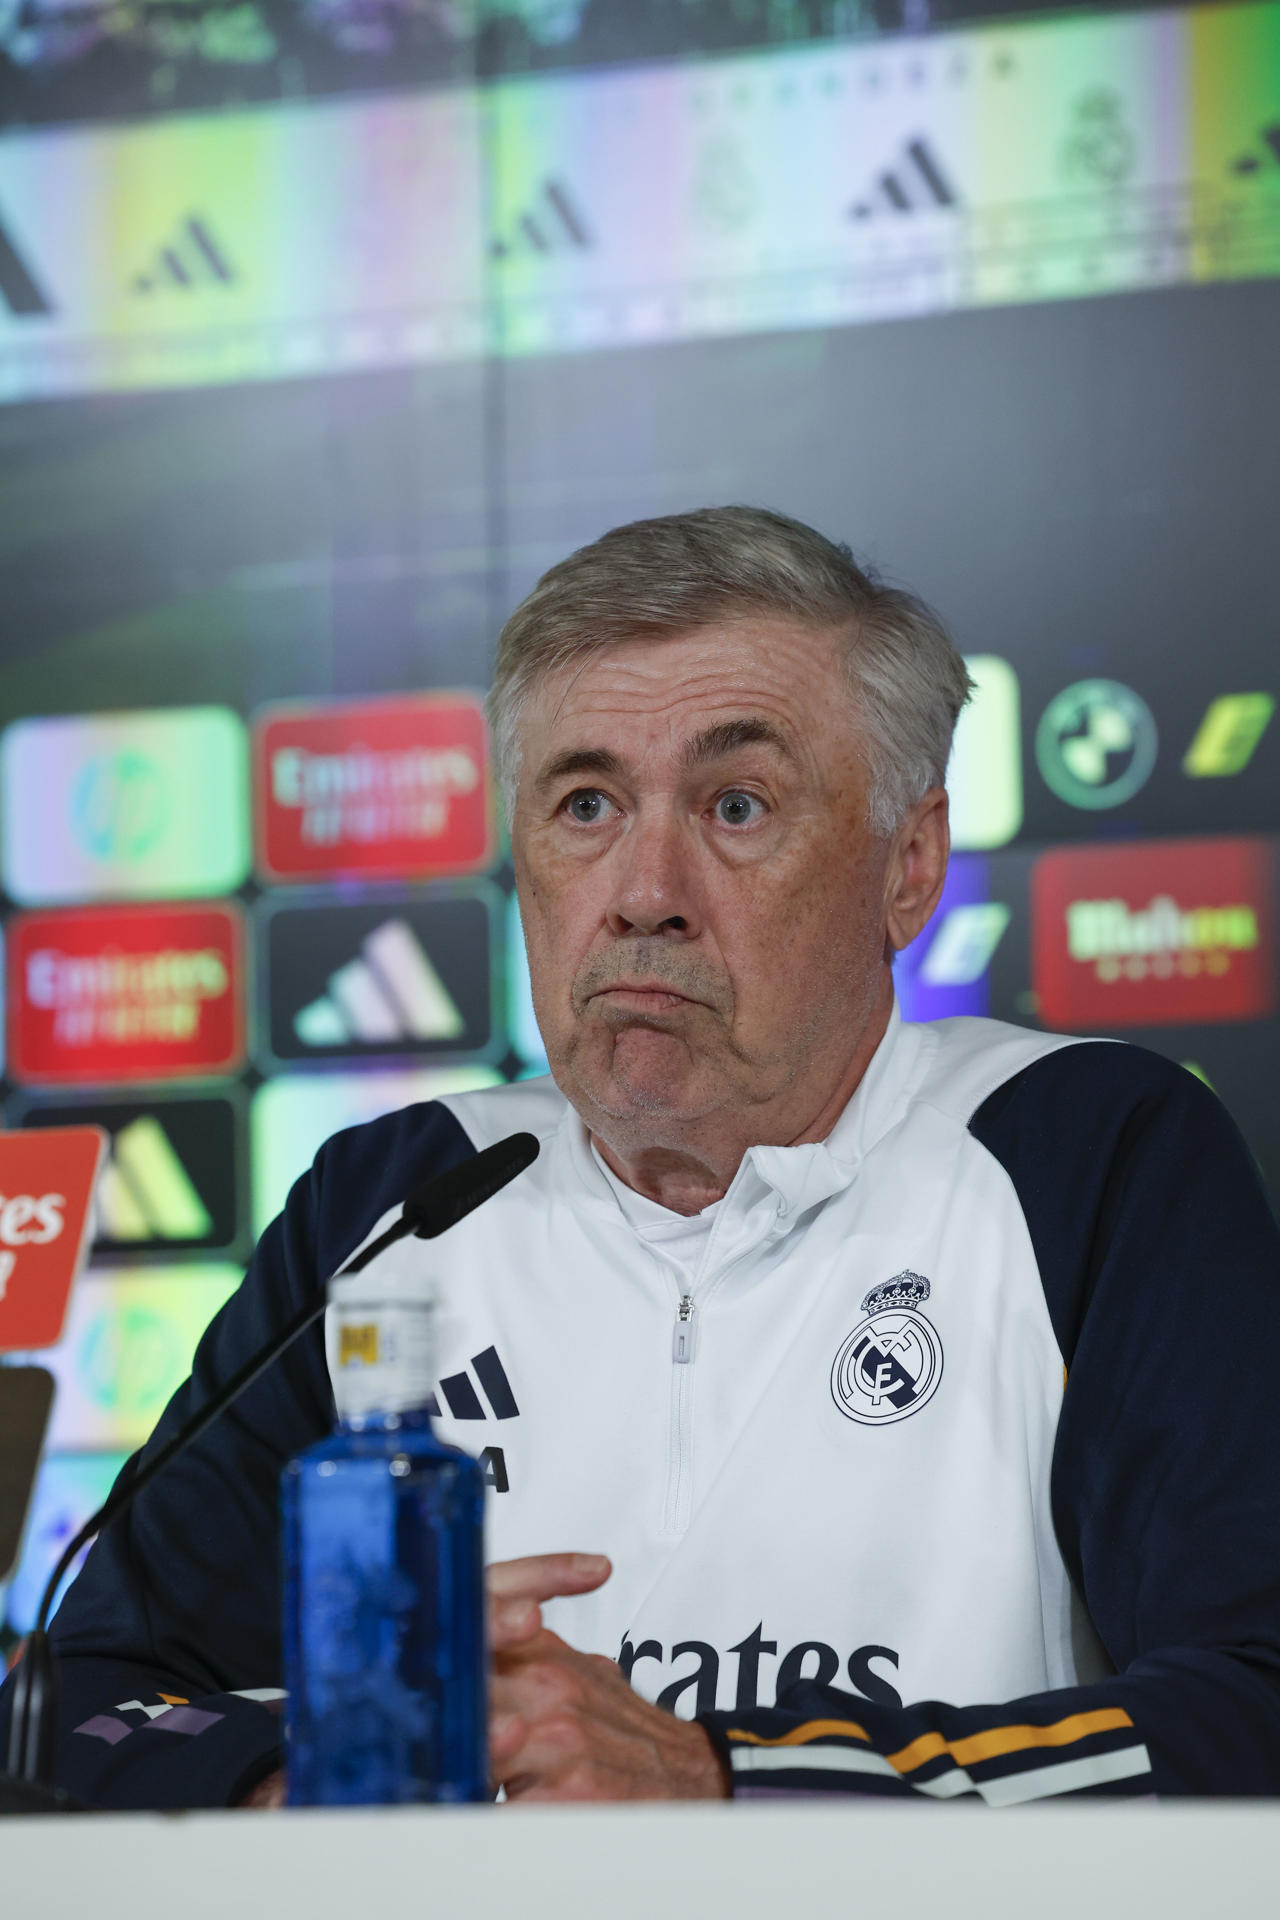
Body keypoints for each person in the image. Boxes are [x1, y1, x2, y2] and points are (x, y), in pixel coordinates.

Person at [5, 505, 1280, 1810]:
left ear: (909, 866)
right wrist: (304, 1780)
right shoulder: (394, 1201)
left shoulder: (1084, 1153)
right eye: (587, 803)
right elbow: (82, 1704)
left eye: (737, 804)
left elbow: (1253, 1700)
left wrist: (718, 1784)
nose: (643, 887)